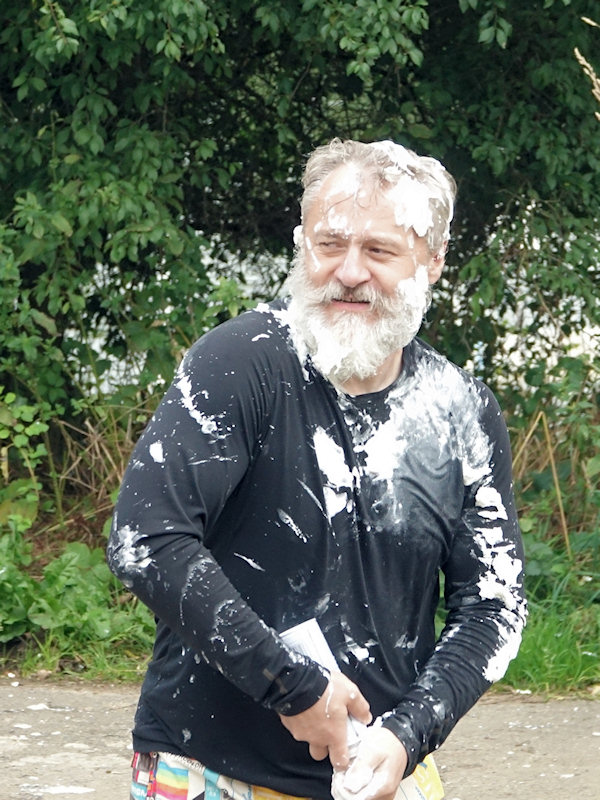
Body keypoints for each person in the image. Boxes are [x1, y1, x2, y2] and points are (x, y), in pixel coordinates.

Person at [107, 138, 527, 800]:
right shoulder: (240, 363)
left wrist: (409, 735)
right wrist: (290, 685)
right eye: (330, 244)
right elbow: (146, 539)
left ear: (433, 260)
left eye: (379, 250)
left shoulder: (463, 412)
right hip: (207, 768)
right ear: (303, 243)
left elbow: (495, 604)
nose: (349, 272)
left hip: (382, 770)